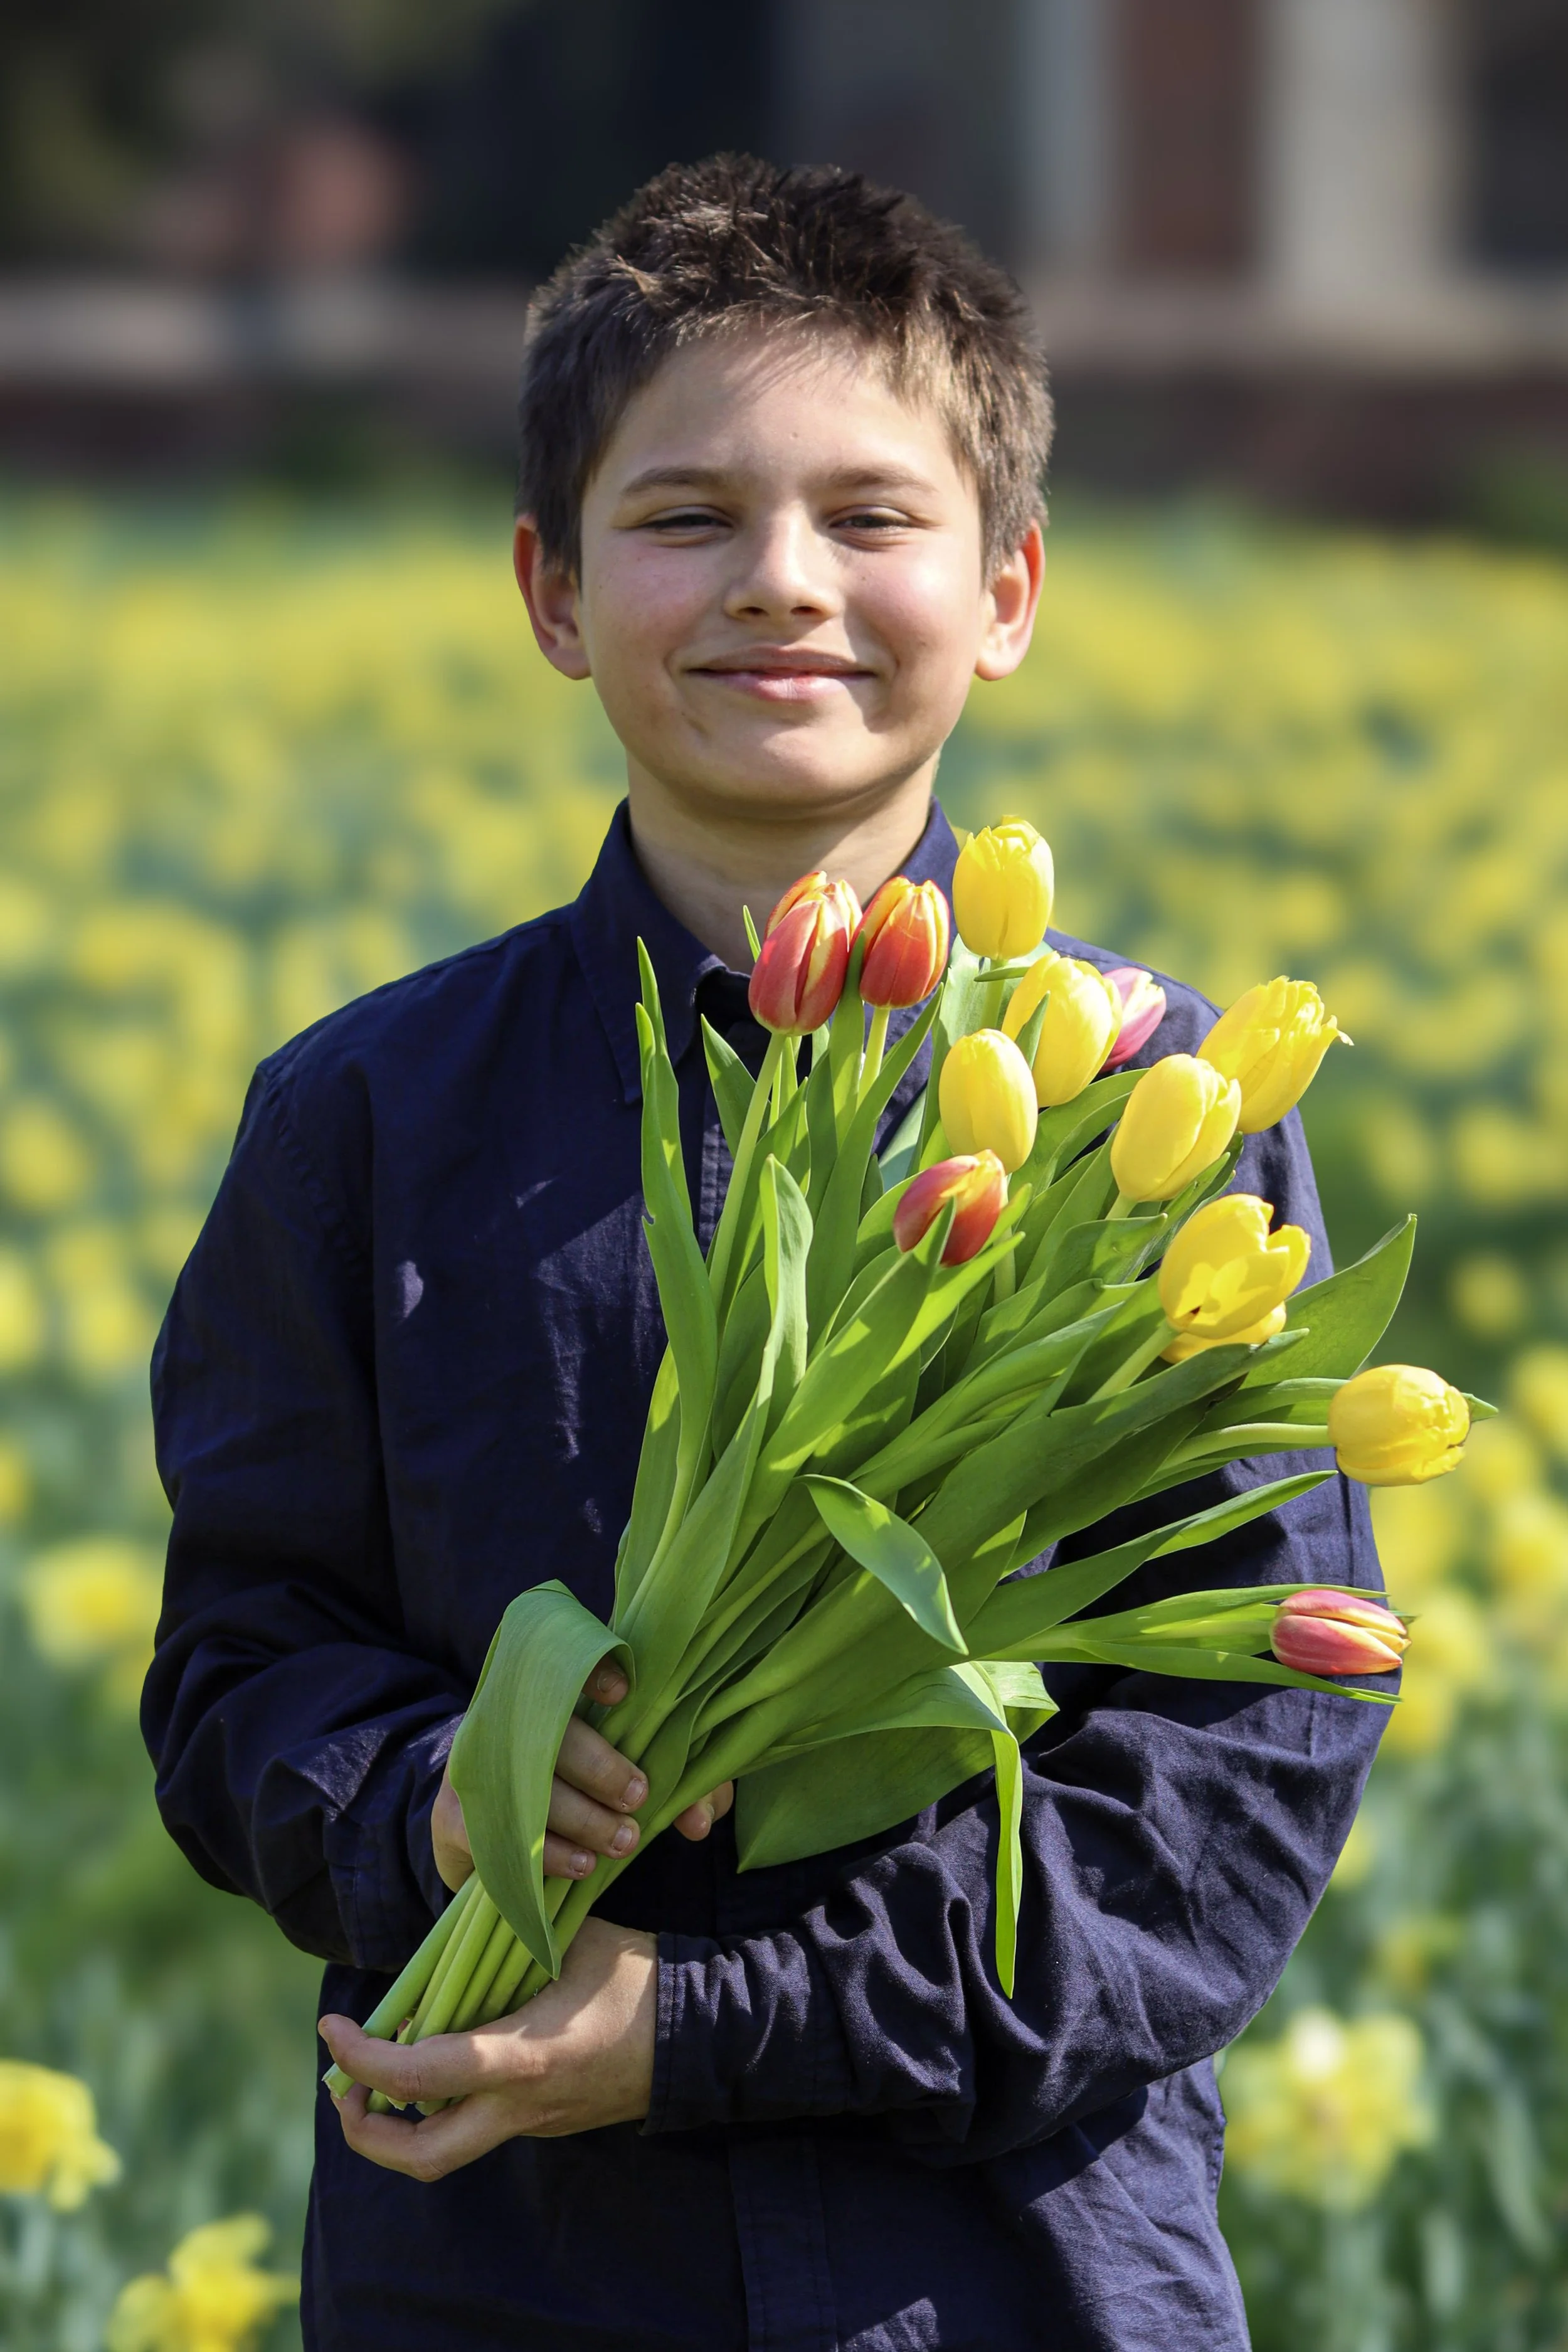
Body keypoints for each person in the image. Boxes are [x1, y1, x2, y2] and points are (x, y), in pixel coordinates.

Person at [144, 156, 1387, 2351]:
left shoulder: (1148, 1114)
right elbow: (242, 1667)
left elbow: (1221, 1792)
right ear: (549, 589)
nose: (780, 585)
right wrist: (431, 1797)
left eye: (869, 519)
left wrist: (707, 2016)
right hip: (503, 2282)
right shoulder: (366, 1117)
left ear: (1007, 587)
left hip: (1017, 2284)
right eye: (687, 515)